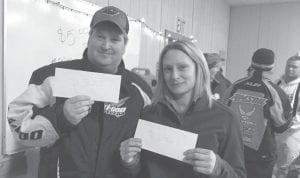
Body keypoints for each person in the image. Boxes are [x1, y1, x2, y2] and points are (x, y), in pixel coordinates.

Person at [7, 6, 152, 178]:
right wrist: (61, 118)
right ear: (89, 37)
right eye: (100, 36)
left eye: (114, 39)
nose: (106, 45)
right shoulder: (52, 76)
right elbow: (18, 125)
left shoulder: (139, 89)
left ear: (125, 44)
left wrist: (131, 164)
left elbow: (149, 147)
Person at [119, 40, 246, 178]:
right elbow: (139, 174)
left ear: (199, 68)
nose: (174, 76)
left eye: (182, 67)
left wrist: (219, 168)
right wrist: (130, 163)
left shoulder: (225, 119)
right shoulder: (148, 115)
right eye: (168, 69)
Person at [222, 48, 292, 178]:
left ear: (252, 63)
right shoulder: (276, 92)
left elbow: (222, 114)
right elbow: (282, 126)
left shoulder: (234, 86)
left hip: (233, 149)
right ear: (272, 67)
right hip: (261, 155)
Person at [275, 55, 300, 178]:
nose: (290, 69)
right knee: (272, 165)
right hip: (275, 132)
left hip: (292, 134)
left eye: (294, 67)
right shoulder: (278, 83)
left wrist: (288, 124)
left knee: (286, 168)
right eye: (288, 66)